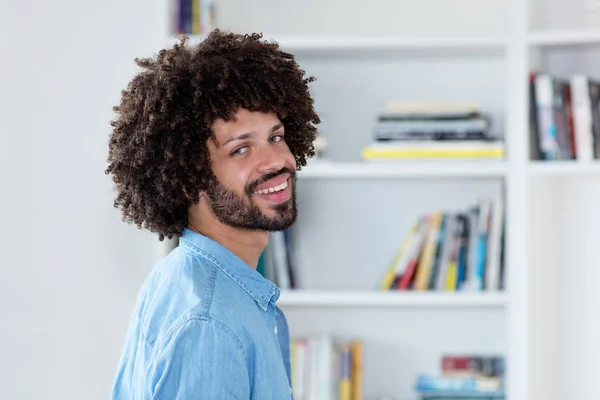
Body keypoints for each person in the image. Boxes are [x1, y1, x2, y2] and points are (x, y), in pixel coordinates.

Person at [105, 29, 320, 399]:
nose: (276, 161)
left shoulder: (187, 278)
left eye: (275, 137)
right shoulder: (209, 321)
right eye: (240, 150)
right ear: (188, 178)